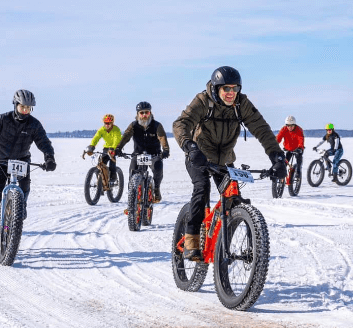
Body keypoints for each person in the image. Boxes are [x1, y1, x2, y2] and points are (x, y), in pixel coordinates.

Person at [173, 66, 286, 262]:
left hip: (224, 159)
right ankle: (191, 236)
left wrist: (277, 157)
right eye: (226, 88)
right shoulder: (202, 101)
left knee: (233, 198)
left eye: (235, 88)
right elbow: (181, 123)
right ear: (217, 89)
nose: (231, 93)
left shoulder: (241, 104)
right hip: (198, 155)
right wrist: (190, 146)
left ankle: (221, 245)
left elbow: (262, 129)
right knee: (202, 188)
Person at [0, 90, 56, 243]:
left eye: (28, 108)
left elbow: (44, 142)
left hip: (21, 160)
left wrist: (49, 158)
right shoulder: (4, 119)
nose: (25, 110)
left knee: (25, 187)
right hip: (0, 159)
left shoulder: (34, 124)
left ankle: (20, 206)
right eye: (22, 107)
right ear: (15, 105)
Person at [116, 102, 170, 203]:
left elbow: (162, 137)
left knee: (158, 167)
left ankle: (156, 188)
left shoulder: (157, 125)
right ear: (137, 114)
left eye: (147, 113)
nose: (144, 115)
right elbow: (126, 136)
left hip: (154, 154)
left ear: (150, 113)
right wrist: (118, 148)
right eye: (142, 113)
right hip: (138, 154)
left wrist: (165, 150)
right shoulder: (133, 125)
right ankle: (132, 202)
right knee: (132, 175)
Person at [84, 114, 122, 185]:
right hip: (106, 147)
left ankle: (113, 176)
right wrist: (92, 146)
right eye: (105, 123)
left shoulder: (116, 129)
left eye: (109, 123)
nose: (107, 125)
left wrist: (113, 148)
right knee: (101, 163)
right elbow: (96, 137)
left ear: (112, 123)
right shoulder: (102, 129)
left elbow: (116, 139)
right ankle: (101, 180)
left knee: (112, 161)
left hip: (115, 147)